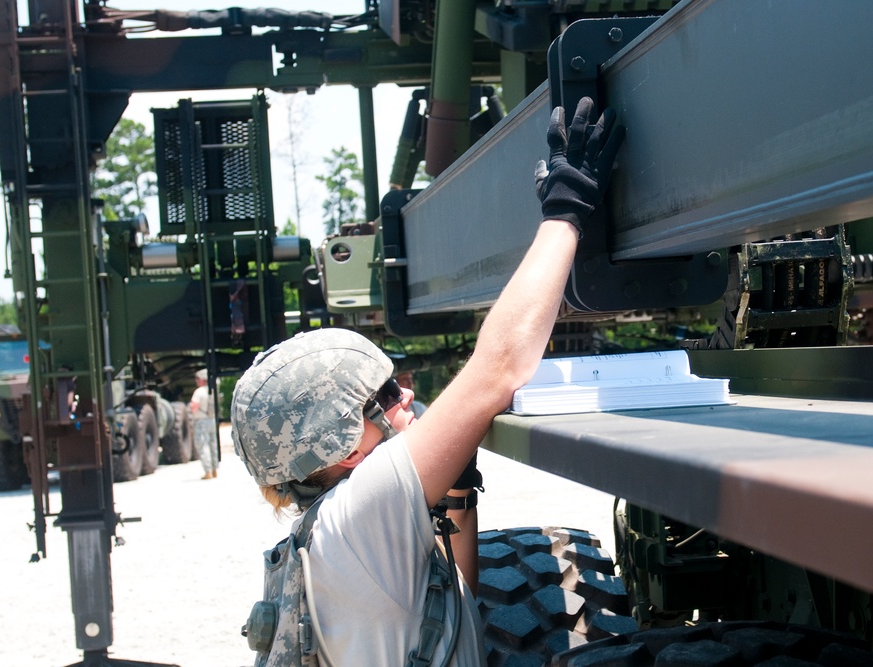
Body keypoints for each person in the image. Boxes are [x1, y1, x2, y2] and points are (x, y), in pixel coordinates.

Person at [231, 97, 623, 666]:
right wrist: (567, 207)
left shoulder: (335, 534)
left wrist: (456, 487)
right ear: (344, 448)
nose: (406, 395)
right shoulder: (360, 515)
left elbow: (457, 594)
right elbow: (500, 369)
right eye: (383, 398)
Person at [190, 369, 219, 480]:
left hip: (201, 421)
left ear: (202, 379)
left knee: (203, 446)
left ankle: (207, 471)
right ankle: (214, 469)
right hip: (211, 420)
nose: (196, 381)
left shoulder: (199, 391)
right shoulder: (212, 390)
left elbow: (194, 407)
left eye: (198, 379)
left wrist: (191, 407)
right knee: (213, 444)